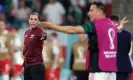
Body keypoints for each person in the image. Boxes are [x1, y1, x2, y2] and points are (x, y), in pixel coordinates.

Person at [41, 2, 128, 80]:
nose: (89, 13)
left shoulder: (95, 25)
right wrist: (120, 26)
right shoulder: (111, 25)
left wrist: (53, 27)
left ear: (99, 12)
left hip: (99, 69)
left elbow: (73, 30)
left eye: (91, 10)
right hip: (112, 70)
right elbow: (118, 29)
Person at [23, 12, 47, 80]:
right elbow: (26, 49)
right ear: (28, 20)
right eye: (31, 19)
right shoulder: (26, 32)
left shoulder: (40, 31)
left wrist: (44, 35)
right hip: (27, 66)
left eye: (35, 19)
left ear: (38, 22)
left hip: (37, 65)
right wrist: (24, 66)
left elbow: (44, 36)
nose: (33, 21)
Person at [110, 15, 132, 80]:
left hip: (112, 67)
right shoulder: (128, 34)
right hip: (124, 66)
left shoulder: (109, 33)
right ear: (119, 22)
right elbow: (128, 49)